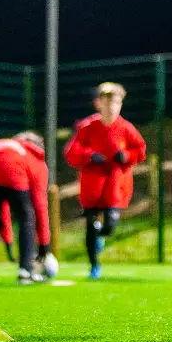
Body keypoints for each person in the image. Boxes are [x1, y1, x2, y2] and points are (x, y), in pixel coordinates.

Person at [64, 82, 146, 280]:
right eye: (106, 102)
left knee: (110, 223)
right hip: (92, 186)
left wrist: (126, 156)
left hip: (116, 186)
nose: (111, 107)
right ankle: (94, 266)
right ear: (98, 104)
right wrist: (89, 155)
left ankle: (102, 236)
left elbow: (140, 151)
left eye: (115, 102)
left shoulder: (126, 128)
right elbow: (71, 152)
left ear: (120, 104)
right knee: (90, 225)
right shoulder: (87, 127)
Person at [0, 131, 50, 284]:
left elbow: (3, 212)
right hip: (7, 166)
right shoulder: (33, 156)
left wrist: (8, 241)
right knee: (26, 216)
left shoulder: (7, 145)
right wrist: (44, 245)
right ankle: (25, 270)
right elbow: (40, 204)